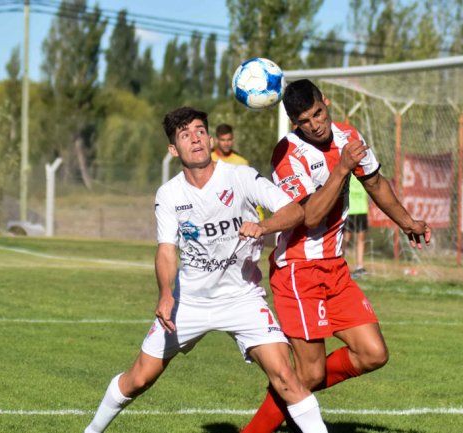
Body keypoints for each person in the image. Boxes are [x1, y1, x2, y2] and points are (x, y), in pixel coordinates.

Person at [84, 107, 328, 433]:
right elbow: (167, 250)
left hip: (242, 298)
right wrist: (165, 295)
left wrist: (265, 225)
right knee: (139, 378)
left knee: (286, 376)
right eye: (185, 135)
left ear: (210, 138)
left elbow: (294, 210)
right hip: (190, 302)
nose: (195, 139)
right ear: (174, 149)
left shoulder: (239, 177)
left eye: (200, 131)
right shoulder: (169, 194)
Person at [242, 80, 431, 433]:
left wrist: (407, 222)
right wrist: (342, 168)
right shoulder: (287, 155)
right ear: (293, 123)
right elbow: (309, 216)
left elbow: (374, 183)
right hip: (298, 270)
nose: (315, 124)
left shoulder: (348, 136)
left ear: (325, 102)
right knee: (310, 374)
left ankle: (290, 390)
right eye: (304, 120)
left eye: (318, 113)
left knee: (373, 353)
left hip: (336, 268)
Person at [345, 174, 369, 278]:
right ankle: (340, 262)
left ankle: (359, 266)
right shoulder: (347, 169)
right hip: (349, 209)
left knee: (361, 238)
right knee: (345, 238)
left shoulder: (364, 169)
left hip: (362, 208)